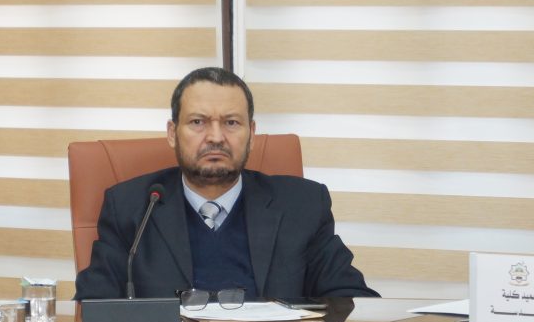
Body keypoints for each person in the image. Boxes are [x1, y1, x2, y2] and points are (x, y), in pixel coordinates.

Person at [75, 67, 378, 300]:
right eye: (198, 122)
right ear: (172, 133)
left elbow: (350, 299)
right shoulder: (130, 207)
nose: (216, 137)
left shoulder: (302, 205)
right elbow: (92, 305)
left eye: (231, 122)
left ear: (252, 134)